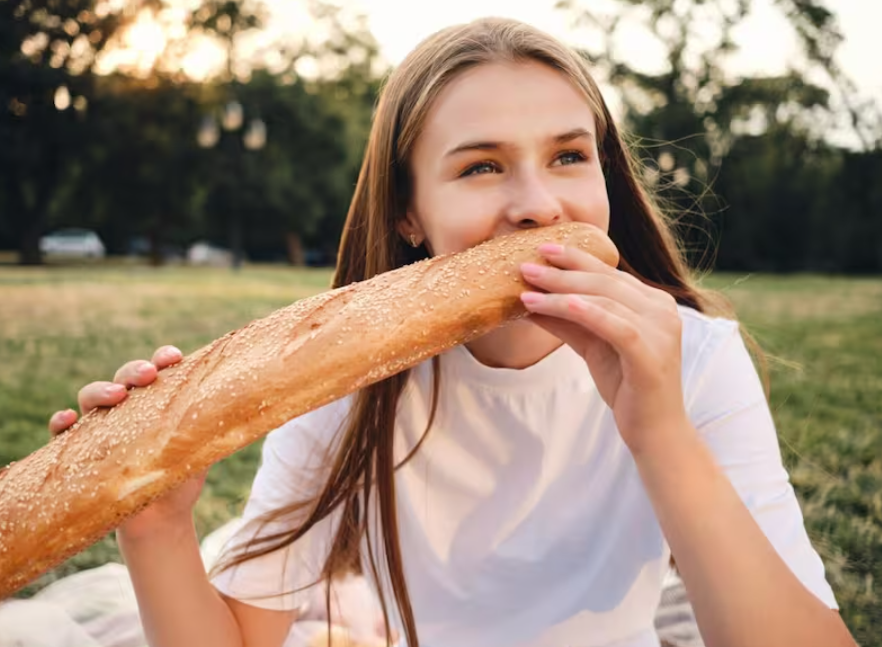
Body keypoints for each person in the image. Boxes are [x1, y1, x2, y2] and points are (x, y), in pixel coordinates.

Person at [49, 17, 855, 647]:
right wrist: (156, 530)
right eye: (482, 166)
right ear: (408, 212)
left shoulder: (697, 357)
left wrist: (659, 430)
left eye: (570, 156)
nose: (539, 203)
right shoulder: (345, 386)